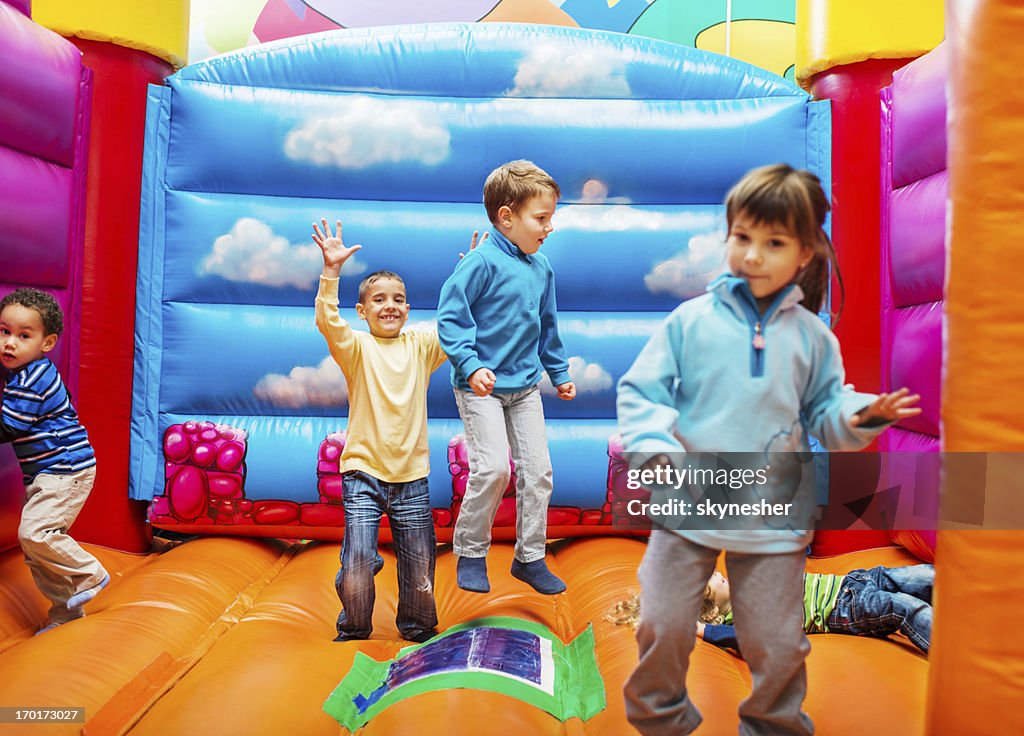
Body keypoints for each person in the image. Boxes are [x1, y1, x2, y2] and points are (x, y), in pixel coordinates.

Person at [617, 163, 922, 736]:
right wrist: (653, 443)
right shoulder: (692, 322)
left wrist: (862, 415)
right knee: (660, 621)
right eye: (742, 238)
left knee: (778, 640)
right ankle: (661, 717)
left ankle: (773, 726)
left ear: (803, 254)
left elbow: (827, 413)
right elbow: (642, 388)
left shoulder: (810, 339)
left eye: (773, 243)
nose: (753, 255)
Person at [311, 218, 458, 643]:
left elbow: (458, 327)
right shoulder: (356, 347)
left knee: (419, 566)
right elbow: (327, 321)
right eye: (378, 300)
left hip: (411, 477)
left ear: (409, 309)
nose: (389, 305)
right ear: (363, 311)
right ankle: (355, 627)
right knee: (357, 561)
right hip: (363, 474)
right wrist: (332, 271)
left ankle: (417, 627)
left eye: (398, 299)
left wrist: (472, 276)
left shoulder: (420, 346)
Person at [436, 160, 576, 595]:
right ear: (506, 216)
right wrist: (470, 364)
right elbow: (451, 317)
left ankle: (530, 557)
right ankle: (471, 551)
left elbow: (547, 325)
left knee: (539, 473)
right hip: (483, 389)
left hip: (526, 387)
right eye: (542, 218)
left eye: (551, 217)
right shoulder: (480, 262)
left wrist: (559, 372)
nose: (549, 227)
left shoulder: (541, 269)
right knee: (494, 468)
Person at [0, 288, 108, 635]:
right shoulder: (28, 374)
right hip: (47, 472)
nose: (10, 343)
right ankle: (65, 614)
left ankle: (89, 572)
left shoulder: (32, 379)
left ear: (47, 343)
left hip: (65, 470)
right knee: (37, 551)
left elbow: (8, 426)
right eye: (4, 331)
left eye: (23, 336)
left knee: (35, 533)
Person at [697, 564, 933, 654]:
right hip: (845, 607)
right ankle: (955, 657)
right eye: (712, 579)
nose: (718, 573)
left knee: (923, 575)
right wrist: (702, 630)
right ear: (711, 606)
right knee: (904, 607)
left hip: (853, 580)